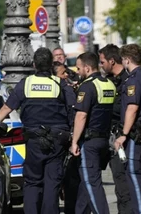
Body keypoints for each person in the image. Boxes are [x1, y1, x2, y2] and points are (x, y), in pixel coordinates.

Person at [0, 47, 70, 213]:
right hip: (57, 141)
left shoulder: (25, 84)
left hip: (34, 141)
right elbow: (73, 109)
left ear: (34, 64)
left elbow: (7, 107)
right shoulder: (59, 84)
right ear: (50, 65)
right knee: (52, 182)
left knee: (33, 182)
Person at [70, 52, 115, 214]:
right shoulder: (108, 84)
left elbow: (81, 115)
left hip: (89, 143)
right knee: (86, 182)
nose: (77, 71)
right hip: (103, 140)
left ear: (87, 68)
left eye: (79, 67)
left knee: (92, 183)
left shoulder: (87, 86)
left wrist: (74, 142)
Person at [114, 44, 141, 214]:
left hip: (135, 135)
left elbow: (132, 108)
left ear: (127, 60)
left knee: (135, 176)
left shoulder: (134, 79)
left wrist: (123, 134)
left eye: (123, 59)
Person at [99, 44, 133, 214]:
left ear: (112, 61)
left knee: (123, 182)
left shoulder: (129, 80)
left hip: (123, 137)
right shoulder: (109, 81)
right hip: (110, 137)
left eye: (102, 61)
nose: (101, 65)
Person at [54, 61, 79, 214]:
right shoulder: (65, 89)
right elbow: (73, 112)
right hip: (65, 137)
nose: (66, 75)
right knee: (69, 177)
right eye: (63, 73)